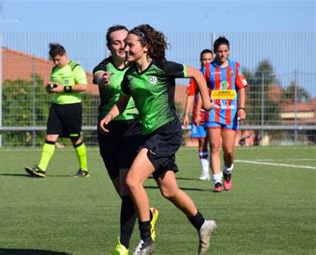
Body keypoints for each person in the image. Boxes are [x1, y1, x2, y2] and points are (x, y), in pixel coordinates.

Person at [99, 24, 217, 255]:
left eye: (130, 44)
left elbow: (197, 74)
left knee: (132, 181)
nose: (125, 47)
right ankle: (202, 224)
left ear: (146, 47)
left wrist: (206, 101)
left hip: (167, 133)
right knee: (169, 190)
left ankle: (146, 240)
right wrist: (110, 116)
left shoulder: (162, 68)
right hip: (150, 134)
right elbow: (123, 102)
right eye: (123, 44)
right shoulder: (130, 75)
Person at [93, 25, 158, 255]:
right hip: (108, 130)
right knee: (123, 192)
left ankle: (122, 246)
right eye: (116, 42)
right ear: (109, 46)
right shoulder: (104, 67)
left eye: (125, 41)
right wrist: (102, 80)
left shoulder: (137, 66)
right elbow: (98, 76)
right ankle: (147, 214)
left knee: (128, 187)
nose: (122, 46)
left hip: (133, 129)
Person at [25, 43, 89, 178]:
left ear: (65, 55)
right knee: (50, 136)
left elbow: (83, 86)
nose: (55, 62)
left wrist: (63, 89)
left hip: (72, 107)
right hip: (56, 107)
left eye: (58, 59)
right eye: (53, 60)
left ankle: (84, 169)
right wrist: (49, 89)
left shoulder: (75, 68)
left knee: (75, 139)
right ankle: (41, 168)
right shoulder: (54, 69)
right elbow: (54, 87)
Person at [199, 37, 247, 192]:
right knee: (214, 146)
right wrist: (204, 104)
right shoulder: (208, 68)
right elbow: (200, 85)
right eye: (219, 51)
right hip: (213, 112)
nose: (223, 54)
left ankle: (227, 171)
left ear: (229, 51)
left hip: (230, 114)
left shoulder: (236, 67)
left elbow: (241, 88)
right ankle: (217, 180)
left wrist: (241, 107)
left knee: (228, 150)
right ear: (215, 52)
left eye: (225, 51)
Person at [182, 49, 213, 181]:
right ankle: (205, 171)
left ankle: (218, 171)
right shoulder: (196, 75)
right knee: (201, 142)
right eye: (204, 59)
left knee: (215, 142)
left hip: (214, 113)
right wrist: (186, 115)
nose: (206, 62)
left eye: (209, 59)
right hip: (199, 114)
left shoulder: (218, 74)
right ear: (200, 61)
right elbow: (190, 95)